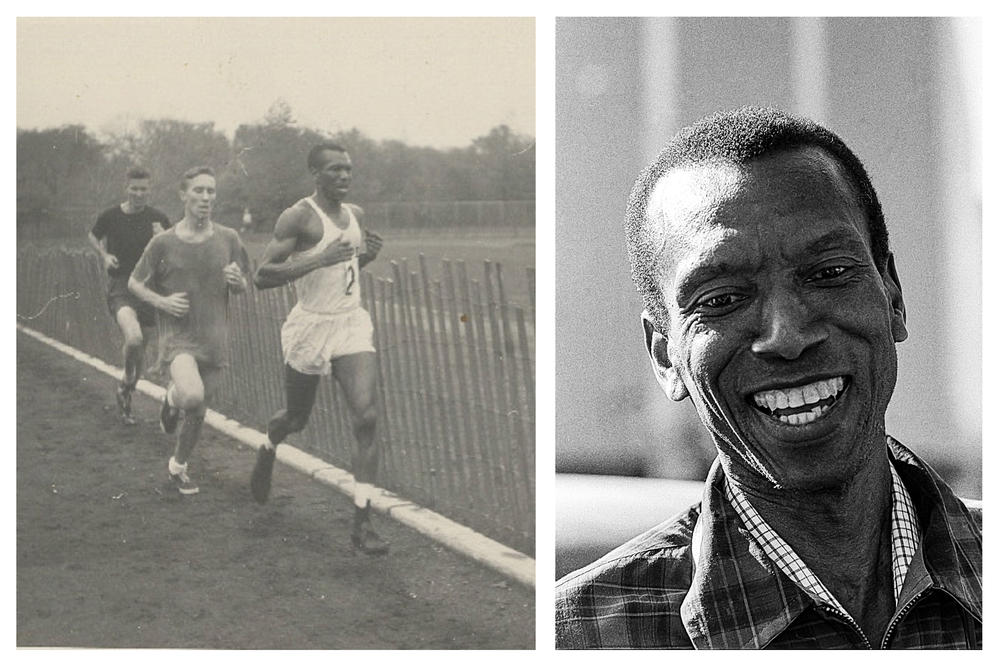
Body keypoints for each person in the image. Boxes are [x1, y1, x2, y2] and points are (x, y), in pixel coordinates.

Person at [555, 107, 981, 649]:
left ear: (892, 295)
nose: (787, 336)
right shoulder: (582, 639)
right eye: (722, 300)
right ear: (665, 357)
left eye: (828, 273)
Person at [250, 143, 386, 554]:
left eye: (348, 169)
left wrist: (364, 260)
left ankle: (362, 522)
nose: (344, 176)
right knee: (295, 418)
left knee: (366, 416)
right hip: (310, 327)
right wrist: (320, 257)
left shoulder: (356, 215)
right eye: (334, 170)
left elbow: (344, 272)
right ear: (315, 173)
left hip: (349, 323)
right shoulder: (299, 217)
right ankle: (269, 447)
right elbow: (262, 275)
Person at [128, 166, 250, 495]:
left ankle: (178, 466)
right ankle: (173, 396)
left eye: (211, 191)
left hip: (213, 337)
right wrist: (162, 302)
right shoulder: (163, 242)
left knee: (197, 410)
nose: (206, 197)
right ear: (183, 195)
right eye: (198, 190)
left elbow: (243, 286)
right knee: (192, 395)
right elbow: (134, 283)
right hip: (178, 337)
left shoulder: (229, 238)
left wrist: (239, 284)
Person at [88, 166, 170, 424]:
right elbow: (93, 235)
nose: (138, 193)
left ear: (149, 190)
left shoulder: (158, 218)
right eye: (134, 188)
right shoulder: (111, 216)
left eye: (143, 189)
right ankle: (127, 380)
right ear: (126, 188)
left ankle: (126, 387)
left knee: (140, 351)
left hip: (148, 287)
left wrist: (163, 237)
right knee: (133, 339)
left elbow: (174, 246)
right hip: (121, 285)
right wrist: (104, 255)